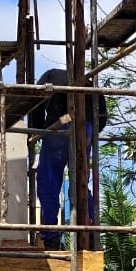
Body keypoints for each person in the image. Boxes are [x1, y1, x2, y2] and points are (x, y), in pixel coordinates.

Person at [29, 68, 107, 250]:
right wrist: (90, 132)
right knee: (79, 183)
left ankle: (50, 237)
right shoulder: (88, 81)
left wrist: (38, 131)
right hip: (86, 126)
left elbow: (35, 108)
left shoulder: (49, 77)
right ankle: (90, 235)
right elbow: (102, 118)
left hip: (62, 121)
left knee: (49, 181)